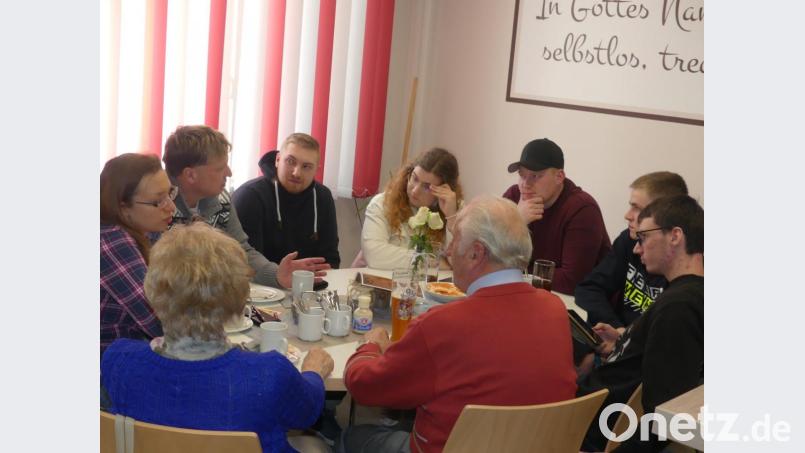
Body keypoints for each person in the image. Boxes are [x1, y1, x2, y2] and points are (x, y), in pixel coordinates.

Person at [339, 196, 578, 453]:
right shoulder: (555, 310)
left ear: (476, 253)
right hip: (534, 446)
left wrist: (370, 347)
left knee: (351, 436)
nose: (449, 251)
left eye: (455, 240)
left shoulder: (442, 324)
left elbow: (365, 387)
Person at [101, 222, 335, 453]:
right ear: (240, 296)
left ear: (150, 289)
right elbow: (307, 413)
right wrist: (313, 371)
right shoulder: (269, 372)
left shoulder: (118, 360)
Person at [577, 195, 704, 452]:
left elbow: (663, 421)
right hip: (592, 418)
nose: (636, 248)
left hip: (588, 434)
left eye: (644, 237)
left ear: (675, 236)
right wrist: (625, 341)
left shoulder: (678, 307)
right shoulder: (684, 296)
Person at [162, 125, 330, 288]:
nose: (229, 173)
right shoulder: (157, 207)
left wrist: (277, 274)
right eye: (220, 168)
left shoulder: (221, 199)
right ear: (190, 175)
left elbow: (241, 251)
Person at [575, 172, 689, 331]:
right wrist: (617, 329)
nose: (627, 215)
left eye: (637, 208)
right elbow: (588, 288)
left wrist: (624, 339)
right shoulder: (629, 239)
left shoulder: (685, 271)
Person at [502, 138, 610, 294]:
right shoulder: (515, 195)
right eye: (522, 175)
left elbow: (571, 281)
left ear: (559, 177)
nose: (525, 184)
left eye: (535, 176)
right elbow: (487, 253)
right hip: (531, 293)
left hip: (577, 305)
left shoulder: (582, 209)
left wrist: (514, 273)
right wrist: (516, 222)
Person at [100, 153, 174, 356]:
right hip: (107, 368)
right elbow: (162, 322)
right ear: (122, 206)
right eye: (158, 201)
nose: (172, 208)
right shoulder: (112, 241)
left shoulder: (144, 230)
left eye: (170, 194)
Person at [233, 133, 340, 268]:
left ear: (316, 171)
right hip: (262, 285)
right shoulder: (250, 196)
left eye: (306, 166)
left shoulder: (323, 197)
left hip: (311, 283)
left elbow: (331, 258)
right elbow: (246, 261)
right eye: (290, 161)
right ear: (277, 160)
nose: (296, 173)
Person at [359, 148, 463, 270]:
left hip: (434, 287)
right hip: (385, 285)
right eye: (414, 178)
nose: (414, 190)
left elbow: (460, 265)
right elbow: (374, 255)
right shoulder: (383, 203)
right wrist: (431, 261)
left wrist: (451, 218)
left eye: (426, 187)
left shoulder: (455, 209)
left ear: (443, 191)